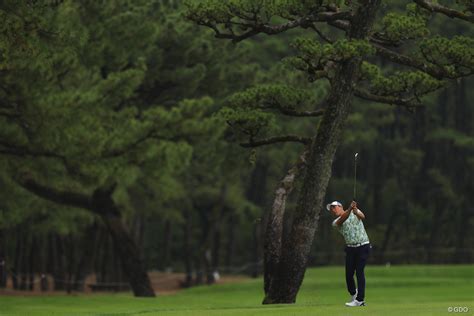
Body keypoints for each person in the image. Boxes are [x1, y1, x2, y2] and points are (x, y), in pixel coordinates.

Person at [327, 200, 371, 307]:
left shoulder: (354, 211)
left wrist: (356, 211)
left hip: (363, 246)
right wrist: (350, 209)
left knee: (359, 272)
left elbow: (363, 216)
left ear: (340, 206)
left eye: (334, 207)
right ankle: (354, 294)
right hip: (351, 249)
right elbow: (343, 218)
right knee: (348, 275)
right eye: (331, 209)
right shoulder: (336, 222)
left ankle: (360, 300)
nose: (333, 210)